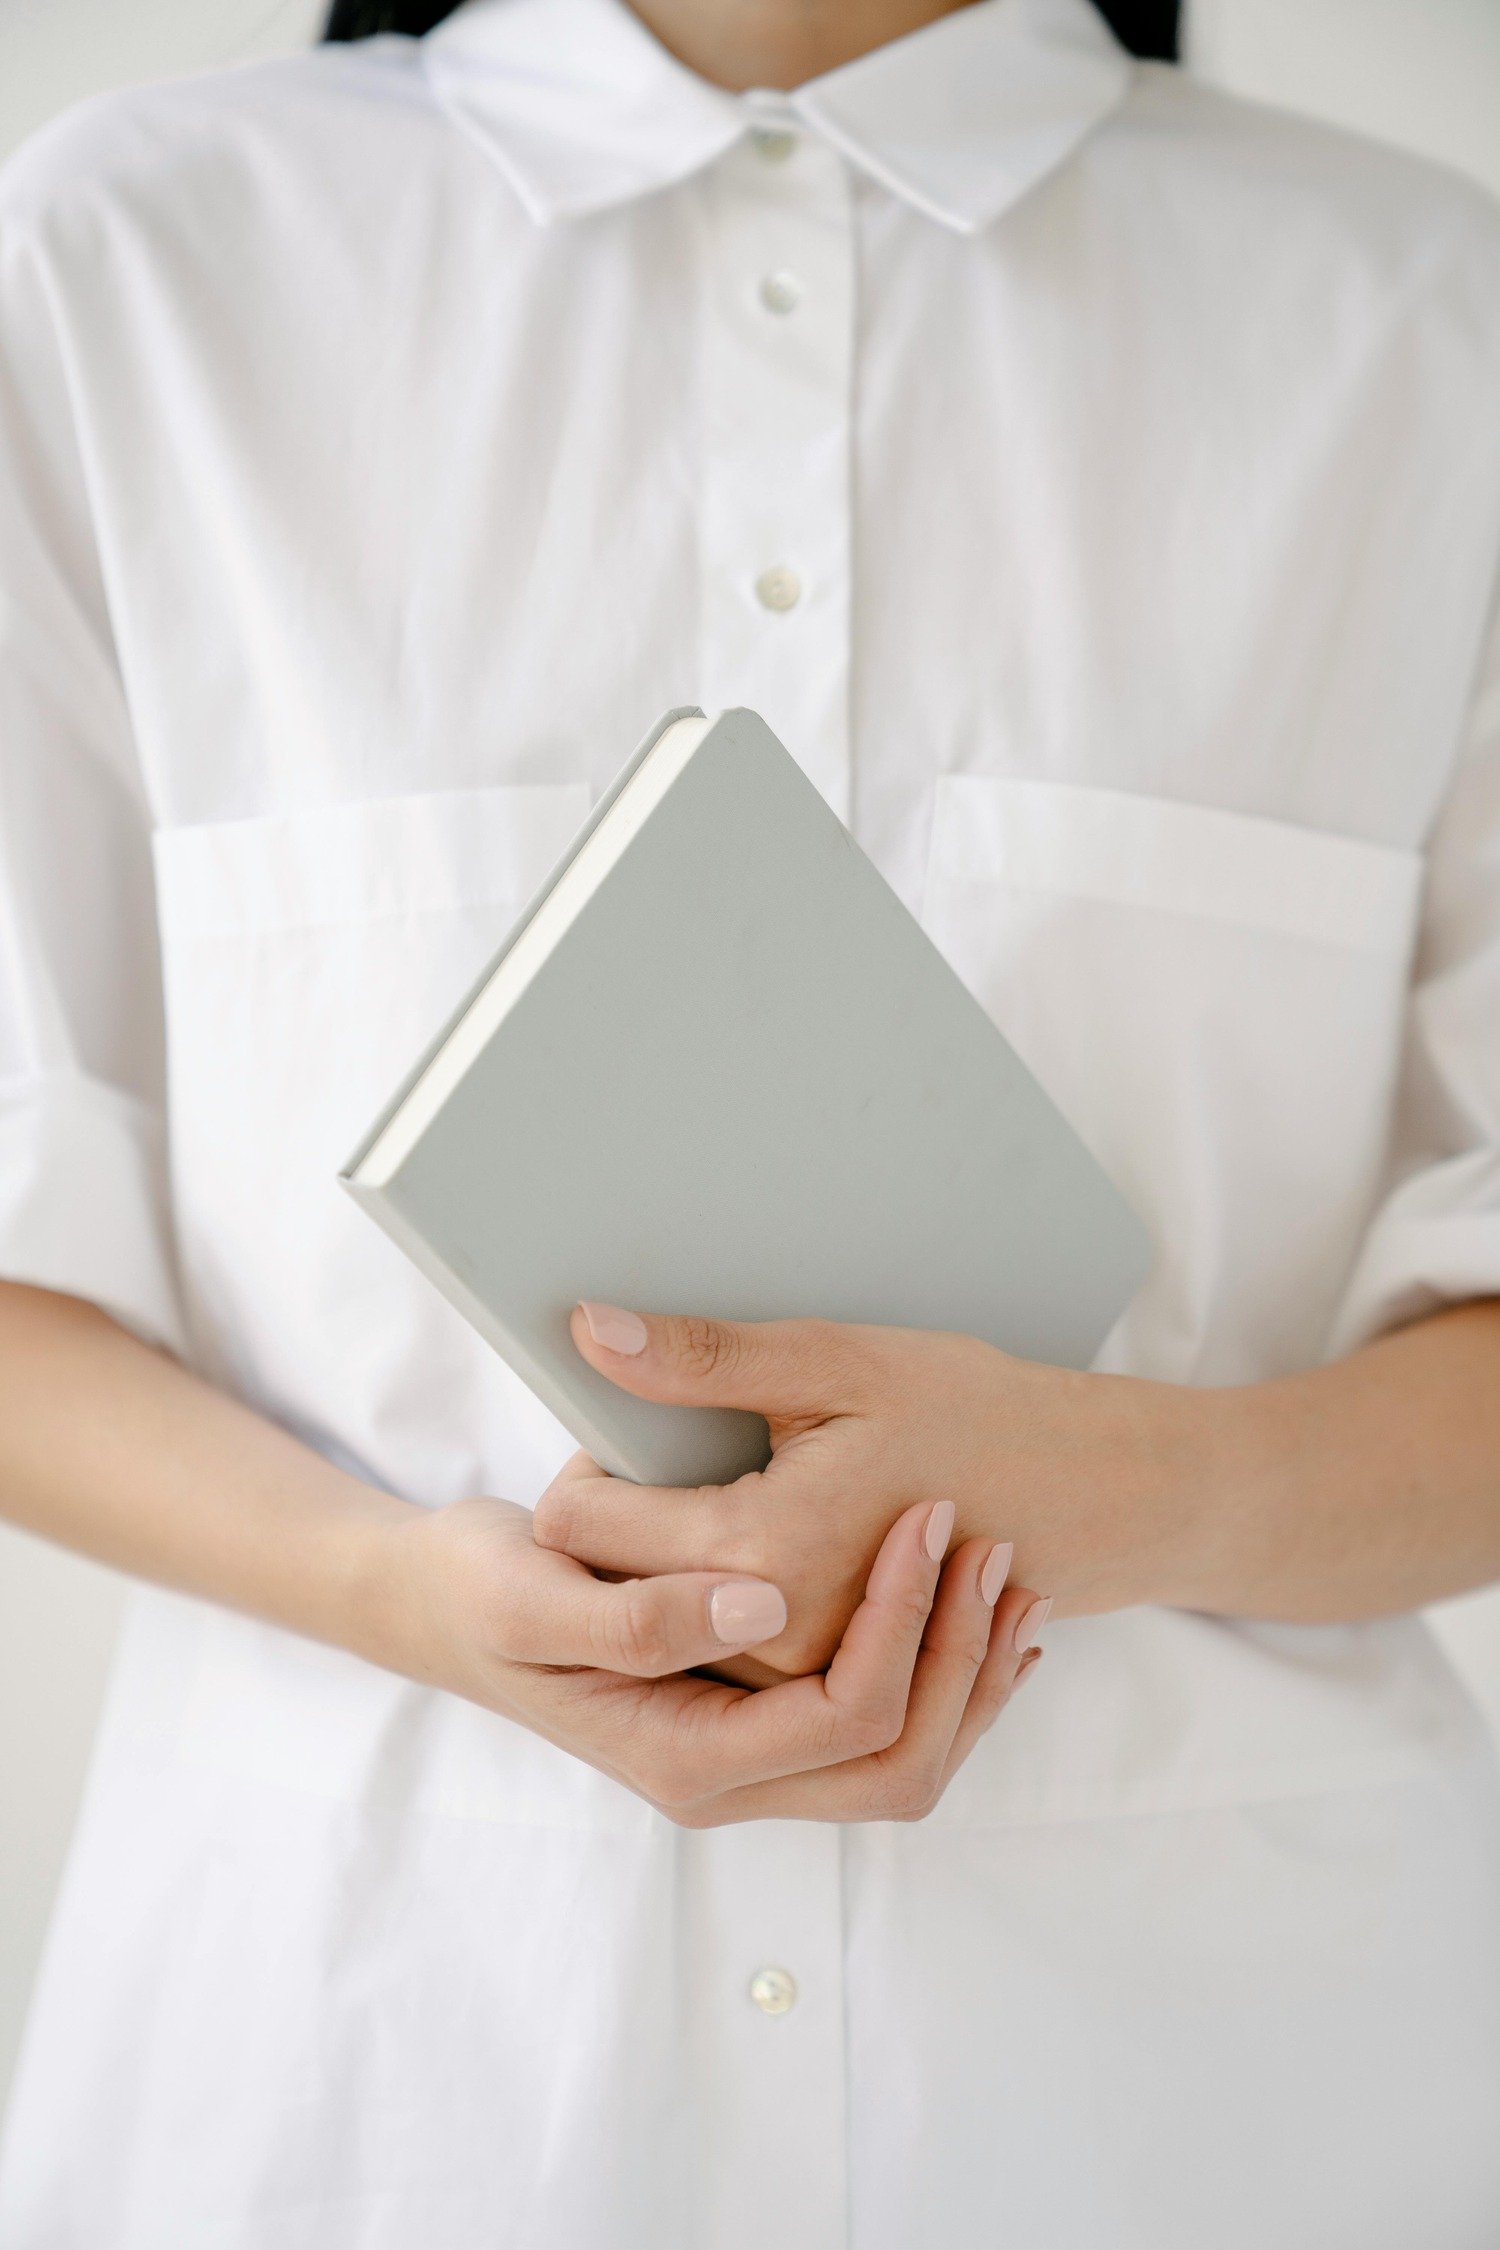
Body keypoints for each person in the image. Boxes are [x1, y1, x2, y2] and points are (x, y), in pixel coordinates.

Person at [1, 0, 1499, 2240]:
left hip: (1218, 2117)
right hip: (371, 2097)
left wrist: (1112, 1490)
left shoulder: (1422, 318)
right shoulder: (125, 261)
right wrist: (407, 1595)